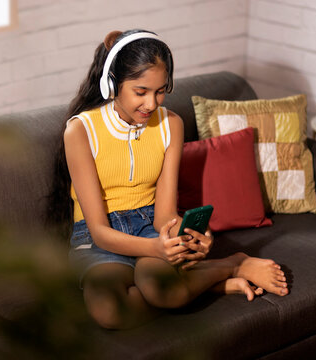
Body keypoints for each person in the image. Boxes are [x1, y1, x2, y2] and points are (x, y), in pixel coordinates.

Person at [47, 29, 288, 330]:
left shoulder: (171, 125)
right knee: (109, 311)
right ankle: (224, 273)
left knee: (161, 288)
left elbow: (164, 214)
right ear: (112, 85)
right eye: (141, 91)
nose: (151, 104)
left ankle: (228, 265)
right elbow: (98, 231)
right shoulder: (81, 131)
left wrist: (183, 238)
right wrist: (157, 251)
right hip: (101, 239)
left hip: (150, 226)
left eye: (160, 91)